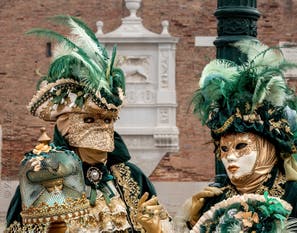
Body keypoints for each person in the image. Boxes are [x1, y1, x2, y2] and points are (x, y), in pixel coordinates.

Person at [5, 15, 172, 233]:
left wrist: (155, 229)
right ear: (65, 125)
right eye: (90, 119)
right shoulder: (41, 179)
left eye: (108, 120)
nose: (102, 129)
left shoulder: (133, 178)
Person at [177, 40, 297, 232]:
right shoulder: (214, 200)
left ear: (268, 147)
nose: (230, 157)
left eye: (241, 146)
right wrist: (188, 221)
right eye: (224, 149)